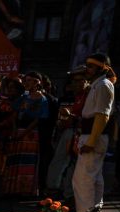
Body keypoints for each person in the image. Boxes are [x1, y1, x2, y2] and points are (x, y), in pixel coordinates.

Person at [67, 53, 116, 212]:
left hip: (93, 137)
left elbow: (102, 115)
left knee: (84, 179)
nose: (87, 69)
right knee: (93, 178)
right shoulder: (97, 86)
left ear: (101, 68)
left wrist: (92, 141)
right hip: (90, 135)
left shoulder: (103, 85)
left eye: (90, 66)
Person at [2, 71, 48, 196]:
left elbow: (38, 119)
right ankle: (13, 189)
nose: (26, 83)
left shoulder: (42, 99)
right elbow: (15, 112)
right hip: (18, 131)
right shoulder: (24, 97)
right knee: (15, 161)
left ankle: (26, 190)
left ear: (36, 82)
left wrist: (24, 133)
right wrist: (15, 129)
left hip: (30, 134)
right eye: (26, 80)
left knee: (27, 162)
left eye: (29, 81)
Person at [46, 66, 88, 199]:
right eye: (73, 81)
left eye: (79, 80)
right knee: (60, 160)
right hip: (69, 131)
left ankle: (68, 193)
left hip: (79, 133)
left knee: (73, 165)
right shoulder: (74, 97)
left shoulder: (90, 95)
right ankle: (54, 190)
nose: (75, 84)